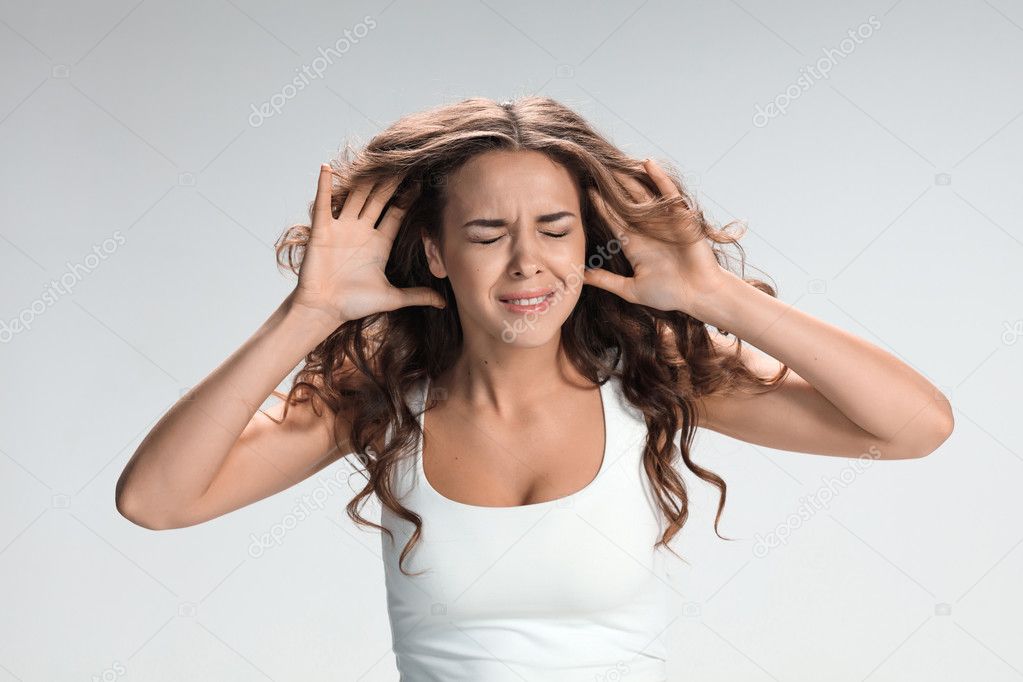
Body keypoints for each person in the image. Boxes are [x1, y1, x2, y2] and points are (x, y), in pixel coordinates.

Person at [115, 96, 954, 681]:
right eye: (487, 232)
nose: (527, 263)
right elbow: (156, 501)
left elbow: (916, 427)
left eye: (555, 228)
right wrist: (308, 312)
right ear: (437, 253)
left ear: (587, 241)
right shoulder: (377, 395)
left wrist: (714, 298)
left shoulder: (652, 378)